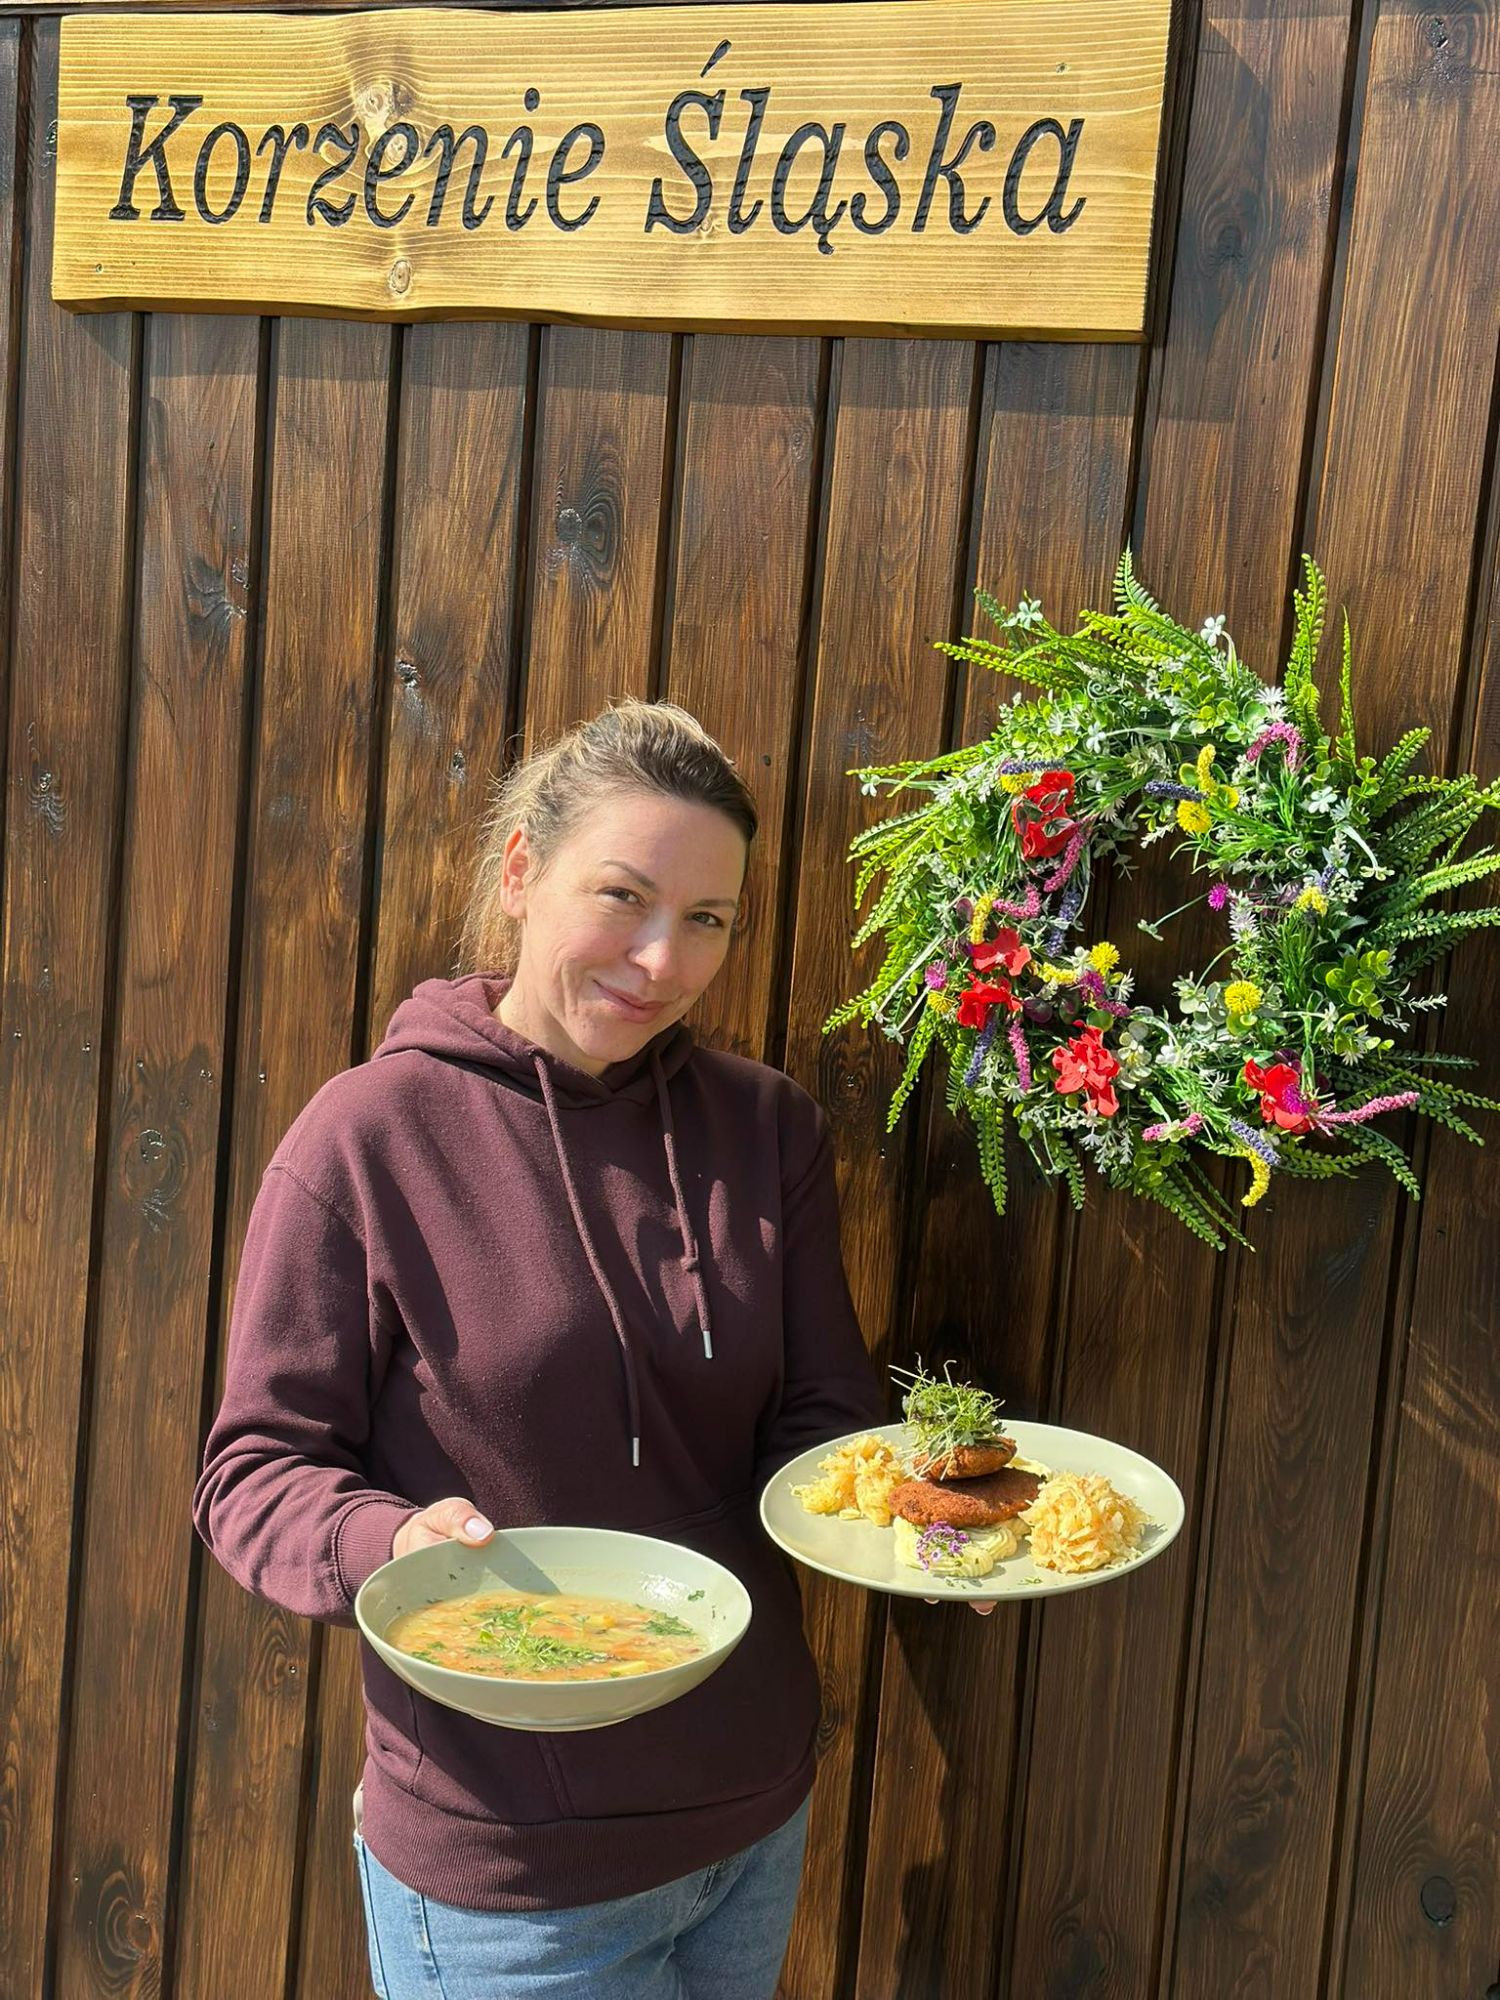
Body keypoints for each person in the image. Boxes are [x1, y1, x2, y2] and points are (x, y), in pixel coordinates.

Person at [192, 697, 893, 1999]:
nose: (662, 959)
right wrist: (388, 1543)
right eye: (623, 896)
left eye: (709, 919)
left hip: (750, 1815)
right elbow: (253, 1474)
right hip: (510, 1868)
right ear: (520, 871)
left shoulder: (767, 1129)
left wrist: (909, 1522)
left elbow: (822, 1413)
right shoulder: (367, 1138)